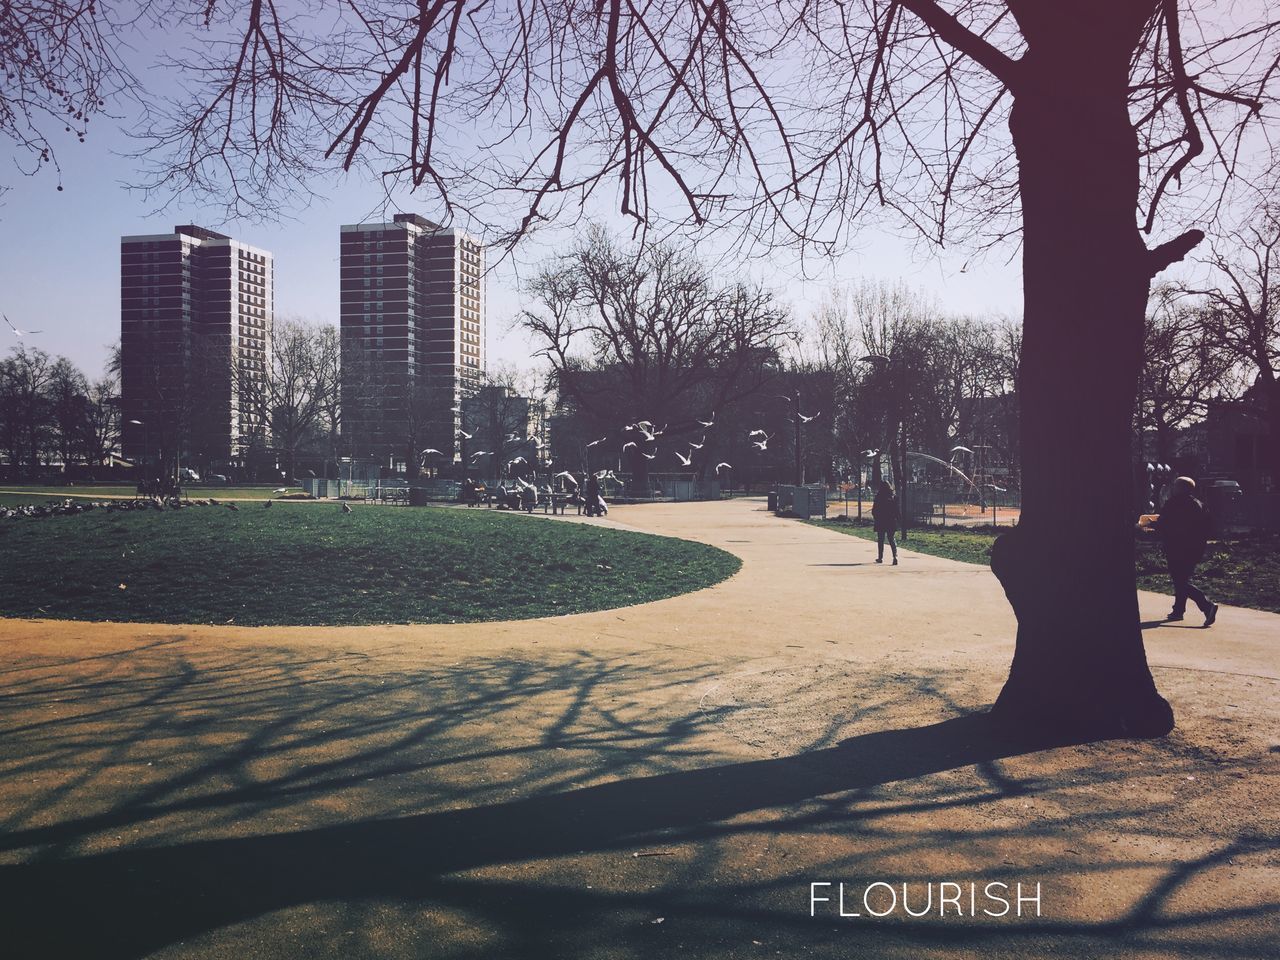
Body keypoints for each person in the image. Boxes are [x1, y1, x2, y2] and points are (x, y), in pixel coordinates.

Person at [1153, 476, 1218, 626]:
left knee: (1180, 580)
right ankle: (1178, 610)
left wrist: (1152, 525)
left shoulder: (1174, 503)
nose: (1172, 488)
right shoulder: (1199, 504)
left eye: (1175, 485)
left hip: (1177, 546)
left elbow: (1165, 522)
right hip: (1195, 547)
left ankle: (1207, 606)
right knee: (1183, 577)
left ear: (1180, 488)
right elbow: (1208, 525)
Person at [872, 480, 899, 565]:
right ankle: (895, 556)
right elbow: (896, 510)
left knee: (881, 539)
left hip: (881, 520)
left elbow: (874, 510)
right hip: (891, 520)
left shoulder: (878, 497)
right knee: (891, 539)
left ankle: (880, 557)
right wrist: (897, 519)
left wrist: (876, 517)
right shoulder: (893, 497)